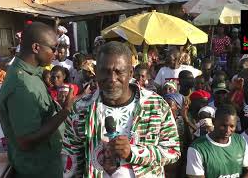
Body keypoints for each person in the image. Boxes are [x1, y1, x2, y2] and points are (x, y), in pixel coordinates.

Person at [62, 41, 180, 177]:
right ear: (96, 72)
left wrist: (133, 153)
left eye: (119, 72)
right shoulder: (81, 109)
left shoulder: (156, 105)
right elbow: (71, 160)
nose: (112, 79)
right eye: (105, 71)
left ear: (130, 73)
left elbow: (173, 151)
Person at [0, 22, 75, 178]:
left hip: (47, 164)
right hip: (37, 170)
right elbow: (26, 141)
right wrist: (65, 111)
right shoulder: (21, 86)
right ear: (36, 48)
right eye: (53, 49)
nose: (56, 54)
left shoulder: (32, 73)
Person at [186, 104, 248, 178]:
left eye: (232, 126)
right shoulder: (197, 148)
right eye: (223, 126)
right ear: (213, 121)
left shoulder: (240, 141)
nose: (227, 130)